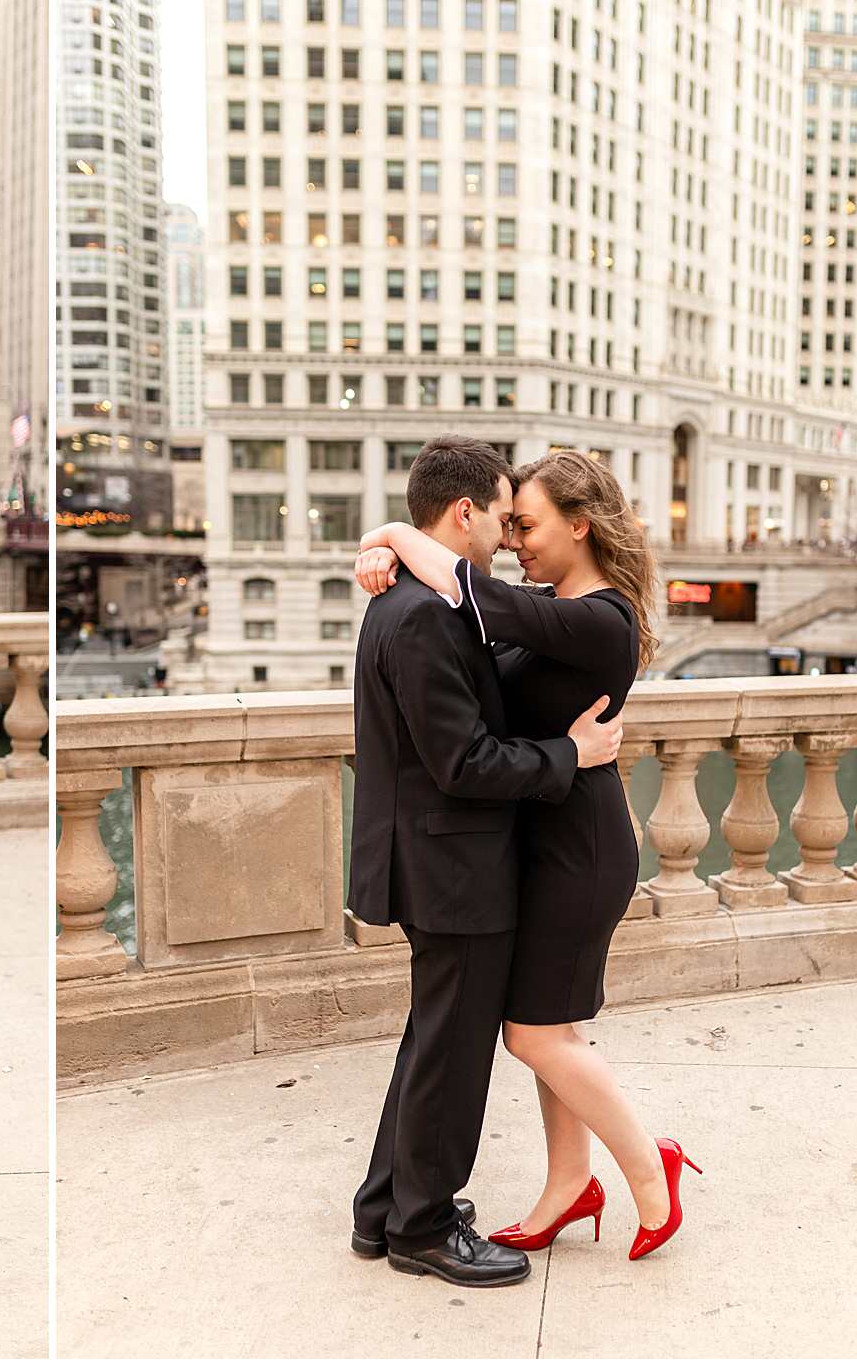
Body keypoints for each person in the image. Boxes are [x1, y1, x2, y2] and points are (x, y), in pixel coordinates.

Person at [356, 448, 701, 1263]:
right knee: (539, 1030)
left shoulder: (598, 618)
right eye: (506, 522)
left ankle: (653, 1171)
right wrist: (387, 545)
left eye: (528, 523)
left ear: (580, 524)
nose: (512, 539)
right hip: (526, 840)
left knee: (535, 1034)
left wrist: (397, 534)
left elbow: (483, 600)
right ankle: (566, 1184)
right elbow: (477, 625)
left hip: (576, 845)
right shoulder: (540, 603)